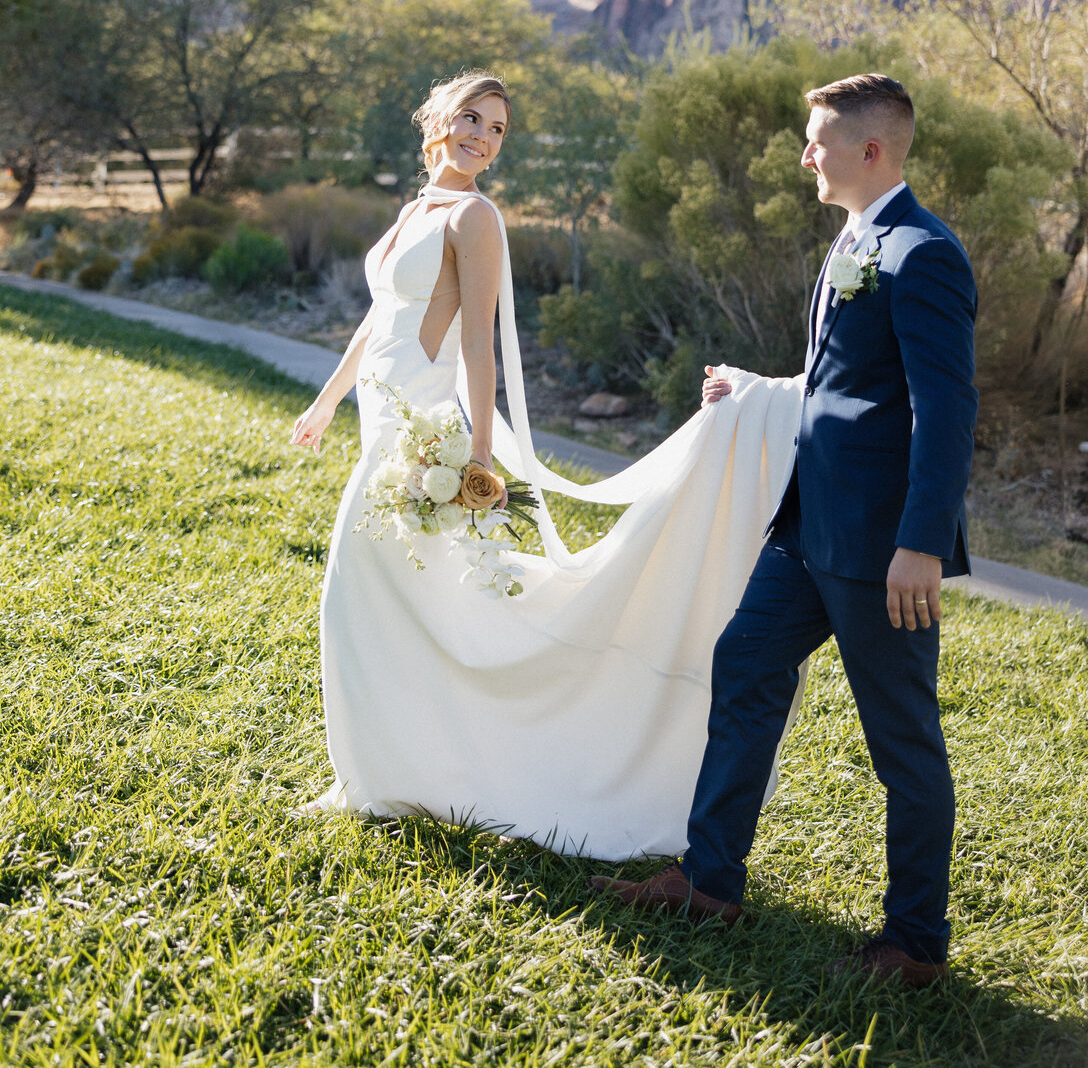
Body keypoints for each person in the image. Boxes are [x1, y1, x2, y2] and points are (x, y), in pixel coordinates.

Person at [291, 71, 807, 859]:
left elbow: (478, 346)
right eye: (472, 118)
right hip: (377, 413)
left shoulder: (476, 216)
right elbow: (379, 317)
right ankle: (385, 775)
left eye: (496, 130)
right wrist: (327, 400)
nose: (482, 138)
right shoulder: (415, 211)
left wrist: (479, 460)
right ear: (439, 120)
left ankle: (409, 772)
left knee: (365, 590)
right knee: (395, 599)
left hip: (424, 428)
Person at [591, 74, 978, 988]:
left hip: (883, 550)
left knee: (903, 742)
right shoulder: (855, 240)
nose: (805, 154)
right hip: (807, 530)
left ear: (870, 151)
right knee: (746, 667)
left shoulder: (923, 253)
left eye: (817, 140)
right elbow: (851, 386)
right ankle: (711, 881)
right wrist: (762, 390)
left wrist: (921, 543)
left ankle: (916, 944)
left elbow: (945, 409)